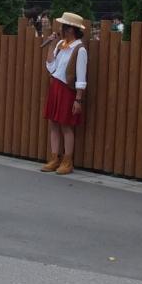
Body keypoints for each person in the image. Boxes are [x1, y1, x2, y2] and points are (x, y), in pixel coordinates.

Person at [38, 12, 89, 175]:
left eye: (63, 26)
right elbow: (50, 66)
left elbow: (81, 77)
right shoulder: (61, 44)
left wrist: (78, 100)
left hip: (67, 90)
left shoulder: (80, 49)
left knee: (66, 126)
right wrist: (52, 44)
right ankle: (54, 158)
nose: (60, 28)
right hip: (55, 87)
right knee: (53, 123)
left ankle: (67, 161)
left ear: (70, 29)